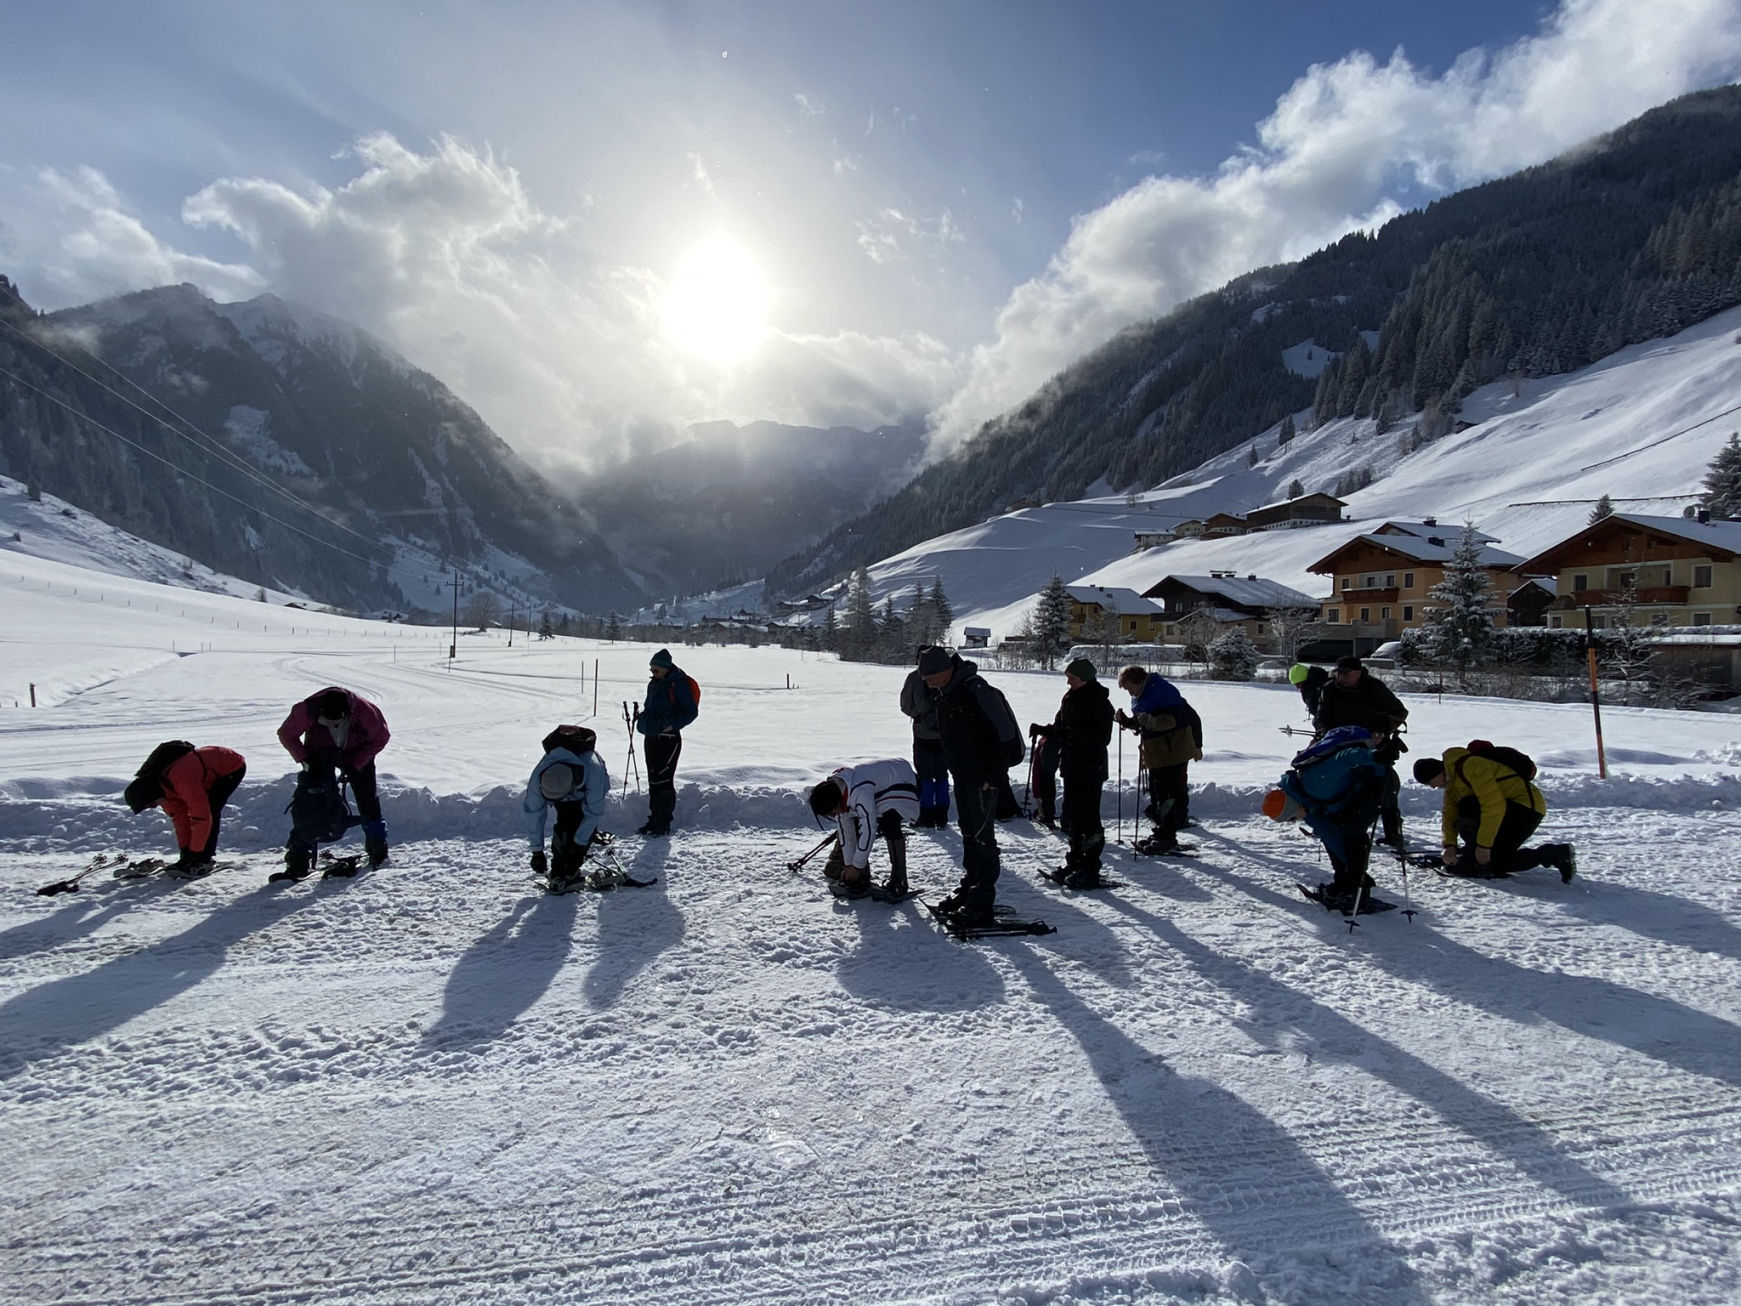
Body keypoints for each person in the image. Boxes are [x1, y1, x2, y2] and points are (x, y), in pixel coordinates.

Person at [920, 646, 1024, 926]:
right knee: (968, 833)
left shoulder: (975, 689)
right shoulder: (948, 691)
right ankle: (971, 887)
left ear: (946, 668)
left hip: (984, 778)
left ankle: (981, 902)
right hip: (963, 775)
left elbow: (1004, 733)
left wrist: (994, 774)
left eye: (930, 677)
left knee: (982, 837)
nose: (928, 683)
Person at [1266, 727, 1391, 913]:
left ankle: (1357, 891)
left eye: (1291, 819)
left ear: (1293, 808)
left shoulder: (1314, 784)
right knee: (1339, 831)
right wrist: (1343, 868)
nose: (1295, 822)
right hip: (1355, 788)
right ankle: (1344, 883)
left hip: (1378, 779)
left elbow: (1344, 758)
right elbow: (1328, 835)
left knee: (1351, 830)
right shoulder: (1306, 803)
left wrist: (1374, 756)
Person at [1413, 747, 1576, 882]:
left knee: (1496, 861)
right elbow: (1449, 814)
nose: (1432, 787)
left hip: (1526, 808)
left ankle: (1555, 854)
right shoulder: (1452, 782)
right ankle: (1475, 855)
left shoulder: (1471, 766)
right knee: (1467, 811)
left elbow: (1493, 806)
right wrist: (1449, 845)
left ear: (1436, 773)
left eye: (1429, 782)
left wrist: (1484, 846)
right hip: (1507, 808)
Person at [277, 685, 392, 875]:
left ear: (348, 713)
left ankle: (377, 847)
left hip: (358, 752)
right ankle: (298, 857)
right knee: (309, 802)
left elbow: (381, 737)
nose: (333, 726)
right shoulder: (306, 710)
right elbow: (286, 734)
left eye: (338, 722)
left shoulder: (364, 711)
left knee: (367, 801)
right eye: (327, 722)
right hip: (319, 754)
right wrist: (306, 761)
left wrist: (357, 763)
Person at [1031, 657, 1115, 887]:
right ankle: (1075, 861)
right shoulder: (1070, 698)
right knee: (1073, 817)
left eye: (1072, 678)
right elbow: (1061, 727)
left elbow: (1101, 738)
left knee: (1089, 818)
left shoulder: (1100, 703)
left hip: (1091, 766)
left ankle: (1091, 868)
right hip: (1071, 764)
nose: (1068, 682)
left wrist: (1070, 735)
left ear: (1084, 679)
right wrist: (1044, 730)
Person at [1312, 656, 1409, 848]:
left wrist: (1382, 732)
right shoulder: (1330, 689)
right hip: (1338, 744)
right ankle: (1332, 823)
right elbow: (1321, 716)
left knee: (1383, 786)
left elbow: (1399, 712)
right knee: (1334, 782)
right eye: (1338, 672)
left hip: (1372, 745)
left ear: (1358, 673)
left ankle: (1393, 832)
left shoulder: (1374, 688)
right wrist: (1323, 734)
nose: (1341, 676)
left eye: (1346, 673)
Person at [123, 741, 248, 877]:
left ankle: (204, 859)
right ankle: (196, 857)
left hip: (230, 766)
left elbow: (202, 818)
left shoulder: (181, 780)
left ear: (151, 795)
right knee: (197, 812)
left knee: (211, 809)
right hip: (201, 772)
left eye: (150, 804)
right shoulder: (163, 793)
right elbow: (180, 820)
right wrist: (185, 853)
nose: (154, 806)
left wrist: (195, 854)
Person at [1115, 666, 1202, 855]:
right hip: (1159, 753)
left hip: (1172, 752)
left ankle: (1167, 837)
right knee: (1158, 793)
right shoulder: (1145, 695)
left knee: (1166, 795)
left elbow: (1171, 721)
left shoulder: (1162, 693)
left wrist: (1146, 722)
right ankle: (1162, 832)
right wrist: (1127, 722)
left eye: (1129, 687)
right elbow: (1145, 721)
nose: (1129, 692)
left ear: (1138, 681)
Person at [806, 759, 919, 897]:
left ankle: (899, 880)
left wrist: (856, 865)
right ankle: (860, 876)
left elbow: (868, 828)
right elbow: (845, 831)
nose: (833, 815)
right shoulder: (839, 793)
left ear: (835, 802)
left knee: (889, 820)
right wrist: (849, 865)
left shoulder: (859, 791)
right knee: (855, 820)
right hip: (883, 785)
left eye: (832, 812)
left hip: (904, 781)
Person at [525, 724, 611, 890]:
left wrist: (578, 848)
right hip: (566, 784)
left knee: (579, 821)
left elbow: (593, 812)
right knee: (565, 821)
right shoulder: (538, 777)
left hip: (586, 786)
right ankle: (560, 868)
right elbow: (533, 813)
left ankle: (570, 868)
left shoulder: (594, 772)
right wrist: (536, 851)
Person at [637, 648, 698, 837]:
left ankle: (663, 822)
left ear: (665, 668)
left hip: (669, 739)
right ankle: (654, 818)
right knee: (653, 779)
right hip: (652, 737)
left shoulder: (677, 684)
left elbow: (691, 712)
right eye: (651, 670)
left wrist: (670, 727)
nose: (653, 673)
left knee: (663, 779)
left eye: (656, 670)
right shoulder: (655, 684)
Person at [900, 650, 951, 827]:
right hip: (943, 734)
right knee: (942, 775)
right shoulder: (945, 675)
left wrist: (916, 714)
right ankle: (942, 816)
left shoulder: (914, 678)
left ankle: (927, 816)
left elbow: (905, 706)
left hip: (922, 734)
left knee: (926, 776)